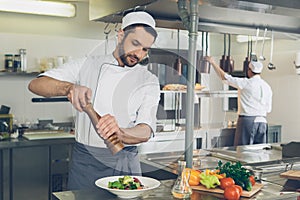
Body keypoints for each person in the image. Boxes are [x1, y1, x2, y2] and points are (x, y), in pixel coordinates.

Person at [28, 11, 160, 190]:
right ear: (121, 35)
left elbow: (146, 130)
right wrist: (68, 88)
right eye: (135, 43)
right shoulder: (87, 65)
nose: (138, 54)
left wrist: (119, 133)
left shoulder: (148, 80)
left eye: (145, 49)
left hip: (125, 163)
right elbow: (36, 84)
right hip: (87, 163)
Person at [205, 56, 272, 146]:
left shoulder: (246, 83)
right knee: (260, 151)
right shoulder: (267, 86)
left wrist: (213, 63)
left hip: (248, 122)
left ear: (249, 70)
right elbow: (268, 109)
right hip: (263, 122)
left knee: (243, 151)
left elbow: (225, 78)